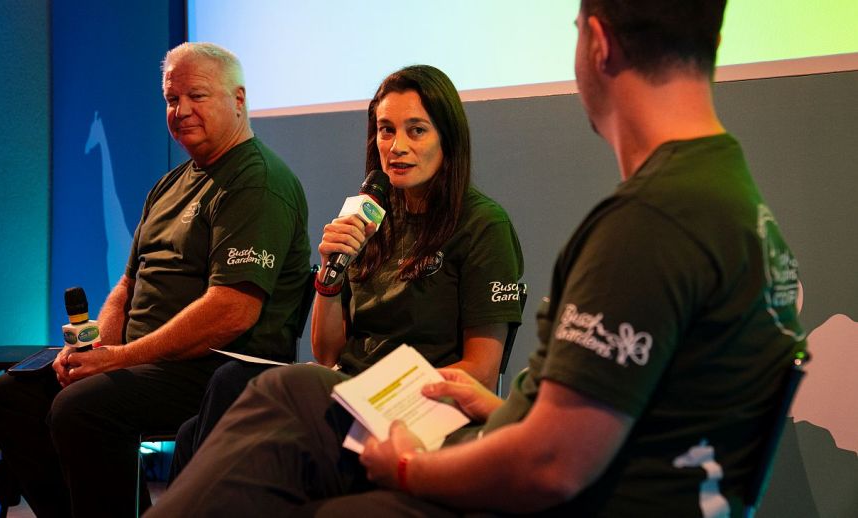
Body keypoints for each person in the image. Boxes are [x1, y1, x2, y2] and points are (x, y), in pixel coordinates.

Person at [148, 0, 808, 514]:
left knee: (287, 404)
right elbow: (578, 425)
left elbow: (551, 462)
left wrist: (408, 466)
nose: (396, 145)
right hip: (532, 458)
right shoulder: (728, 197)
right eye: (385, 130)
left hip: (533, 488)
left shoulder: (648, 225)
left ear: (597, 43)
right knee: (285, 390)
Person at [0, 42, 310, 518]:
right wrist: (97, 352)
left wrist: (121, 359)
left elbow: (232, 309)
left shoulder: (256, 182)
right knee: (9, 399)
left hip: (219, 368)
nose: (181, 111)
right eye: (172, 100)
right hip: (147, 360)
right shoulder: (171, 183)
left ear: (239, 100)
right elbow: (127, 284)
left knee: (83, 408)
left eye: (196, 96)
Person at [166, 63, 525, 481]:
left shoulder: (483, 225)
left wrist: (379, 394)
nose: (397, 146)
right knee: (207, 419)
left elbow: (480, 371)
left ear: (448, 138)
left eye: (417, 130)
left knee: (238, 398)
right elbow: (328, 351)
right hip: (349, 387)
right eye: (386, 130)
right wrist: (330, 276)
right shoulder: (370, 216)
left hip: (416, 403)